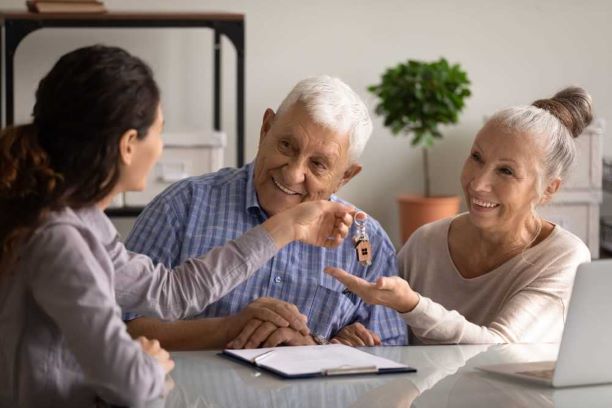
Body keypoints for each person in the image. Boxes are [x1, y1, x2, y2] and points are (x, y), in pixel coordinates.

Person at [0, 45, 355, 407]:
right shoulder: (62, 241)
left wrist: (287, 226)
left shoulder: (83, 222)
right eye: (159, 131)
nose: (161, 146)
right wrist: (148, 363)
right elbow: (132, 385)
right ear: (128, 146)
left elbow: (171, 292)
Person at [124, 76, 407, 349]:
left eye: (318, 164)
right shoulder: (181, 207)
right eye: (286, 146)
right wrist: (227, 329)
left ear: (345, 177)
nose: (294, 173)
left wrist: (322, 348)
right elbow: (118, 329)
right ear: (266, 128)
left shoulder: (367, 242)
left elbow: (392, 357)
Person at [326, 87, 593, 344]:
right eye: (477, 157)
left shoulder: (564, 257)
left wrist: (412, 305)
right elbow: (386, 332)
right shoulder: (426, 243)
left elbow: (499, 349)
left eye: (506, 171)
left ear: (548, 189)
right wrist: (357, 336)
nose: (478, 183)